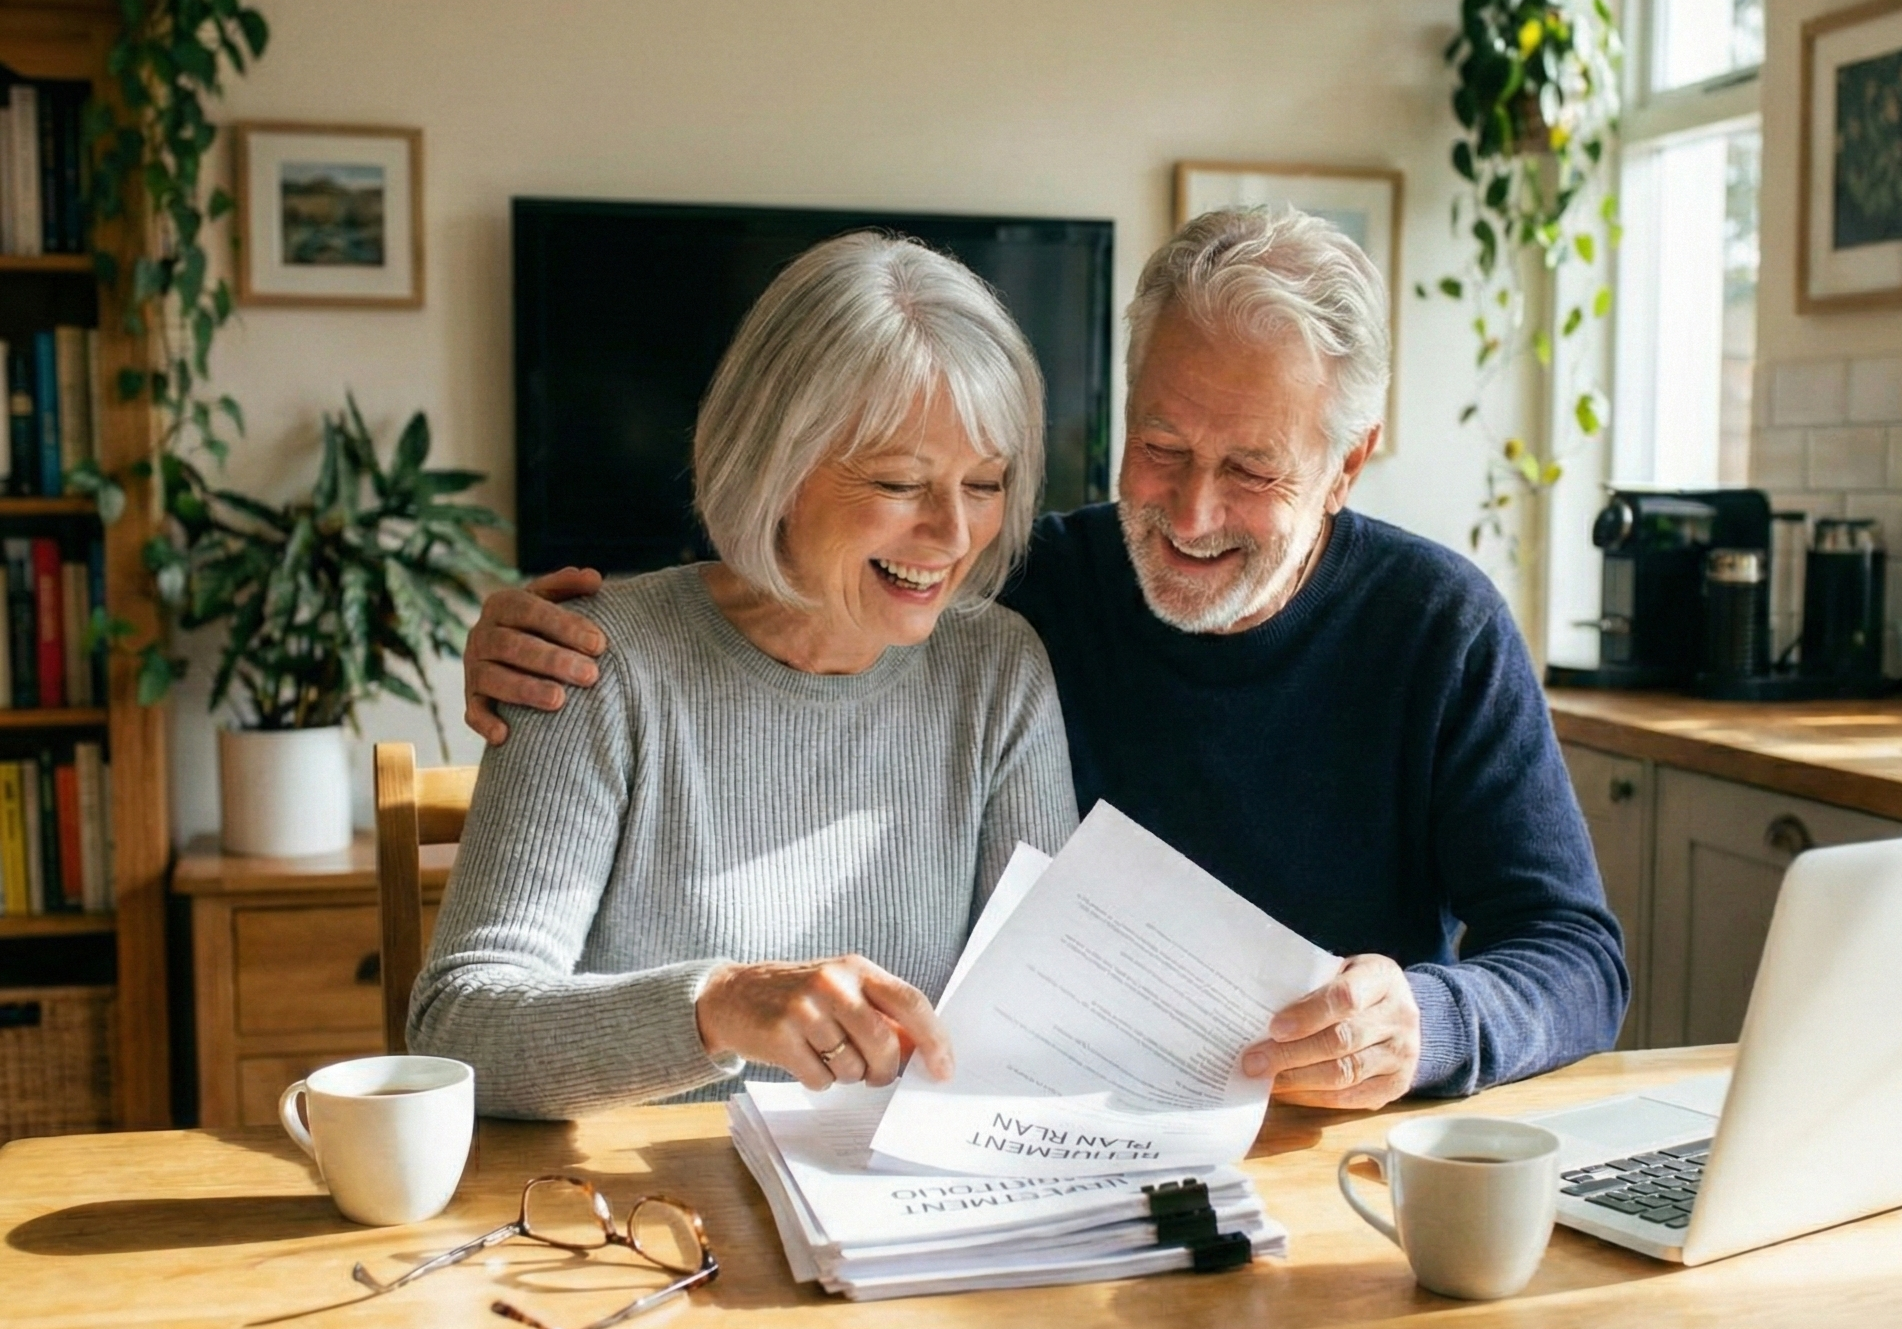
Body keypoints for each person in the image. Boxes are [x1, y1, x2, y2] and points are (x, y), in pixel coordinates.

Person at [464, 207, 1627, 1110]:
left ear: (1346, 464)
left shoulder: (1434, 626)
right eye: (1159, 445)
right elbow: (799, 577)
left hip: (1290, 1152)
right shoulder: (1018, 597)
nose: (1189, 511)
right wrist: (540, 640)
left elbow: (1577, 954)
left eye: (1253, 470)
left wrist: (1432, 1018)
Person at [412, 232, 1078, 1118]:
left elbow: (1049, 1010)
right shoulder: (598, 664)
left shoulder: (998, 672)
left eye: (984, 484)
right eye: (899, 482)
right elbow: (460, 1029)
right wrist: (716, 1007)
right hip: (640, 1225)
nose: (954, 535)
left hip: (894, 1222)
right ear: (780, 465)